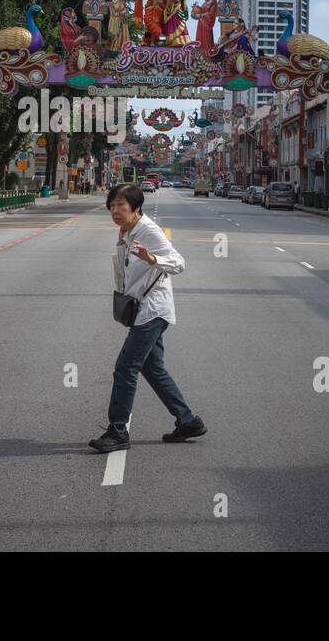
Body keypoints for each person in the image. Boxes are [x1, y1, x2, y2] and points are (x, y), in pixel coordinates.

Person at [90, 183, 205, 454]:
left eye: (121, 205)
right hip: (144, 309)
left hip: (152, 311)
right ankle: (188, 421)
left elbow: (178, 263)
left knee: (125, 368)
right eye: (112, 206)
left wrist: (152, 258)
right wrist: (121, 244)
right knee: (152, 369)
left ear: (136, 208)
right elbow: (126, 273)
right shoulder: (129, 231)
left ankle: (118, 431)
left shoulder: (149, 231)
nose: (115, 211)